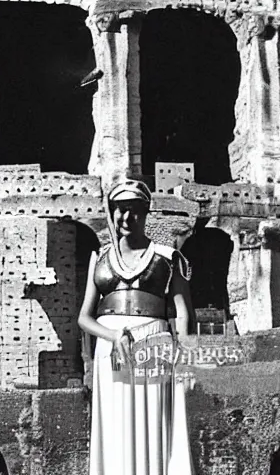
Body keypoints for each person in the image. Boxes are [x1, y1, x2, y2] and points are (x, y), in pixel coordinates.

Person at [78, 180, 195, 474]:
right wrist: (114, 335)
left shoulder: (168, 258)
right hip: (111, 347)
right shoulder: (100, 258)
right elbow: (84, 318)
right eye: (120, 210)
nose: (126, 218)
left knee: (152, 422)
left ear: (146, 213)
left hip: (154, 343)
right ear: (112, 212)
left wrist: (185, 362)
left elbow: (184, 314)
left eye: (134, 211)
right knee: (117, 424)